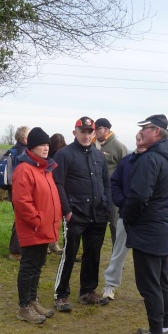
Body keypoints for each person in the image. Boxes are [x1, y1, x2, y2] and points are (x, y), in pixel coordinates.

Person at [122, 115, 168, 334]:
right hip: (164, 225)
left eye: (144, 128)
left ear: (156, 131)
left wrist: (128, 216)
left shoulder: (151, 159)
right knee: (161, 280)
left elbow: (138, 196)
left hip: (149, 227)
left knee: (149, 284)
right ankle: (165, 329)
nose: (141, 132)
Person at [52, 116, 111, 311]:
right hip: (75, 214)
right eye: (82, 132)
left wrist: (107, 207)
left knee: (93, 254)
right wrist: (66, 211)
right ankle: (61, 294)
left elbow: (105, 183)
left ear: (94, 133)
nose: (86, 135)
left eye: (89, 132)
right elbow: (58, 184)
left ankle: (87, 291)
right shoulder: (64, 155)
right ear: (75, 132)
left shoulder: (99, 156)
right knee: (69, 254)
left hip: (97, 214)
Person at [11, 127, 62, 324]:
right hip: (34, 228)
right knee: (29, 266)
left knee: (38, 266)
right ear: (32, 146)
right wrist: (37, 221)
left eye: (47, 144)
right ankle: (24, 307)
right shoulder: (25, 169)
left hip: (44, 227)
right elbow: (22, 202)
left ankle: (33, 300)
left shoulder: (45, 169)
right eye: (42, 144)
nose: (46, 148)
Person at [101, 131, 146, 300]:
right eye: (137, 139)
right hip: (126, 215)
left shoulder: (154, 161)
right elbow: (115, 183)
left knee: (145, 256)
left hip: (146, 218)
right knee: (118, 252)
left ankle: (149, 291)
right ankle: (110, 285)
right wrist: (122, 201)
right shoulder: (127, 161)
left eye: (143, 139)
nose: (140, 142)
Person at [94, 118, 128, 244]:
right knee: (95, 226)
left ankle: (116, 260)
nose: (95, 131)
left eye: (98, 128)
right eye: (94, 129)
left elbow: (125, 172)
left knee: (114, 226)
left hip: (113, 193)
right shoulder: (92, 145)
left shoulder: (119, 147)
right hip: (96, 193)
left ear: (106, 129)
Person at [7, 126, 29, 261]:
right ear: (25, 138)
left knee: (19, 219)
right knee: (21, 220)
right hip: (20, 191)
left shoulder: (13, 150)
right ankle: (15, 252)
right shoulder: (23, 152)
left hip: (13, 190)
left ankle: (18, 249)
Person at [46, 133, 67, 255]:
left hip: (60, 188)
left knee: (58, 218)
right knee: (50, 217)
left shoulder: (63, 155)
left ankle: (53, 242)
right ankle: (48, 243)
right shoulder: (47, 157)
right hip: (50, 189)